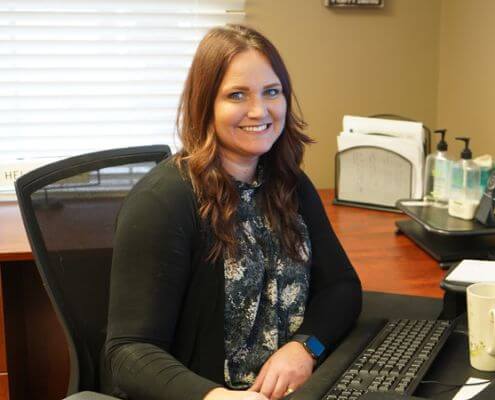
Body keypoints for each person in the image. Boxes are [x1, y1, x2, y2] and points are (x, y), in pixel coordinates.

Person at [101, 24, 362, 400]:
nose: (260, 110)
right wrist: (215, 397)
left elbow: (341, 288)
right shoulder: (164, 201)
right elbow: (128, 354)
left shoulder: (288, 183)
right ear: (205, 104)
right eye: (237, 95)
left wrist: (305, 348)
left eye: (272, 92)